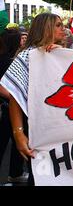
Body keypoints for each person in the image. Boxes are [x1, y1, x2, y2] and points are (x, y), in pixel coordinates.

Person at [0, 13, 66, 186]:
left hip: (58, 128)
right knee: (40, 175)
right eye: (58, 25)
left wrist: (61, 55)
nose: (63, 28)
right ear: (46, 28)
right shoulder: (29, 56)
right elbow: (14, 95)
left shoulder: (63, 54)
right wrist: (19, 133)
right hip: (37, 127)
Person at [0, 28, 28, 185]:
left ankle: (15, 173)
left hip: (10, 107)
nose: (22, 40)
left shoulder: (13, 58)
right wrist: (17, 96)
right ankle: (14, 174)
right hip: (7, 108)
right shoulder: (6, 61)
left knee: (17, 141)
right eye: (20, 38)